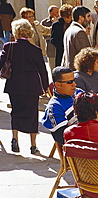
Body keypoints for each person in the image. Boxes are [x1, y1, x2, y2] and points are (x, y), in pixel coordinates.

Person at [0, 19, 49, 154]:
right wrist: (45, 87)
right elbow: (42, 70)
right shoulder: (36, 50)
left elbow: (1, 62)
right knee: (32, 114)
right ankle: (33, 145)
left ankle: (14, 139)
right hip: (31, 86)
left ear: (15, 32)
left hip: (14, 86)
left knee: (15, 111)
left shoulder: (8, 47)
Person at [42, 67, 82, 146]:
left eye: (74, 80)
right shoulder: (54, 107)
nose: (74, 84)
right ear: (58, 84)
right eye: (70, 82)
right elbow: (63, 138)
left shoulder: (79, 92)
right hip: (82, 148)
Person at [62, 6, 92, 70]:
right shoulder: (79, 32)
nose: (90, 19)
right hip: (79, 73)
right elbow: (86, 56)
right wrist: (95, 50)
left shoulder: (69, 29)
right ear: (81, 17)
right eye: (88, 16)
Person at [41, 5, 59, 71]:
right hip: (51, 49)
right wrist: (54, 25)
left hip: (60, 49)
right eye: (56, 12)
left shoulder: (60, 21)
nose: (58, 14)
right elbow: (45, 35)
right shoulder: (45, 22)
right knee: (53, 68)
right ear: (51, 13)